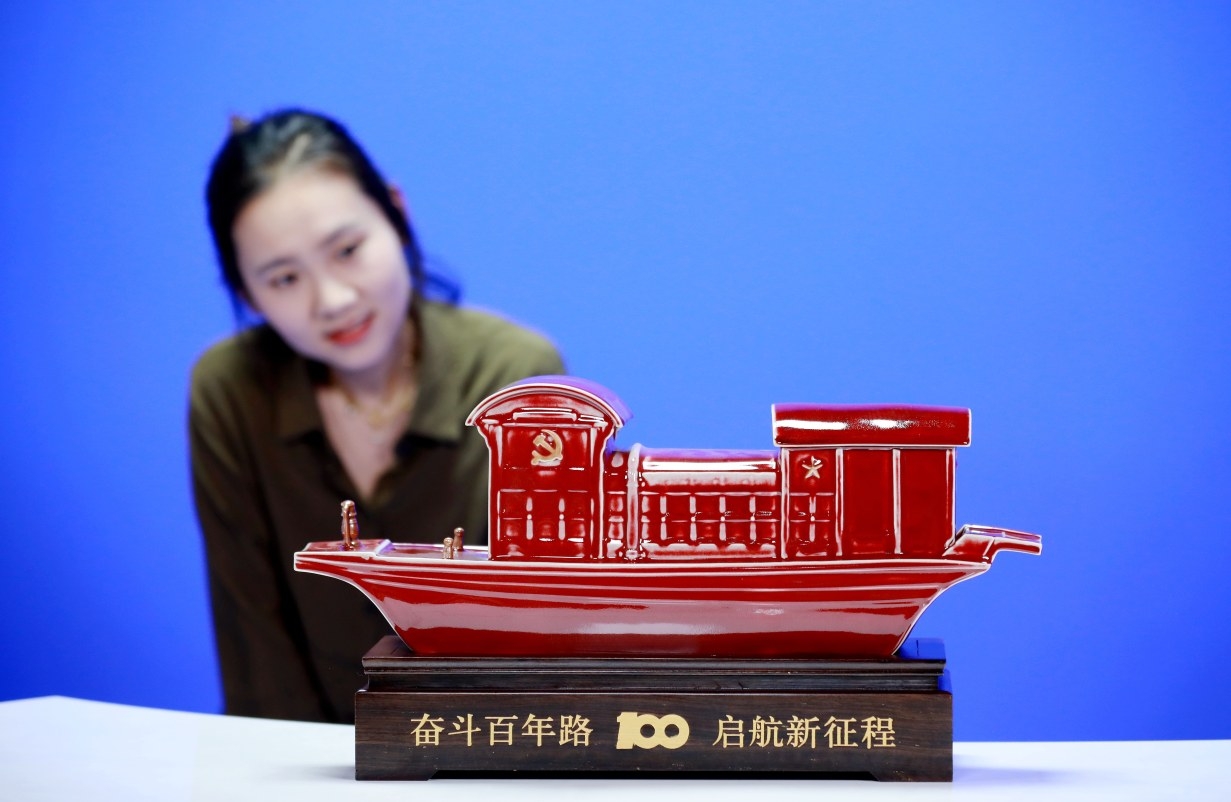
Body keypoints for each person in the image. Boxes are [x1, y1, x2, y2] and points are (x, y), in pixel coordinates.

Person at [189, 109, 564, 723]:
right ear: (246, 292)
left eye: (348, 250)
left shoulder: (515, 376)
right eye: (284, 278)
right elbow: (257, 660)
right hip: (296, 760)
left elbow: (531, 639)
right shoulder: (230, 392)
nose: (332, 300)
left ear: (396, 211)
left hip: (479, 746)